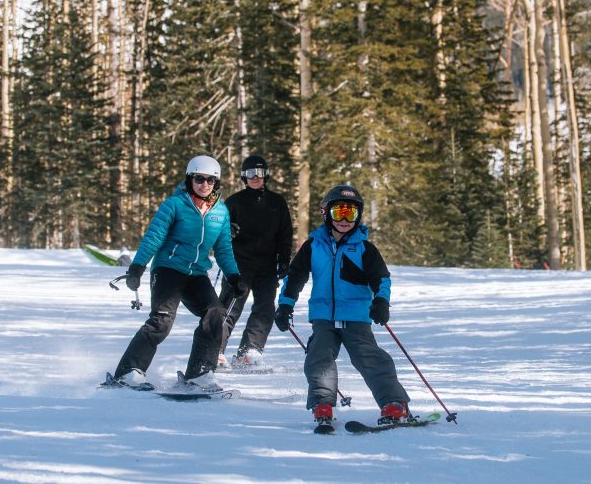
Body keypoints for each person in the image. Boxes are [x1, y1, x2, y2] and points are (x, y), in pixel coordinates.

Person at [273, 184, 412, 427]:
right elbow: (295, 276)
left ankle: (394, 403)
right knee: (318, 357)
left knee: (370, 358)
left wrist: (381, 301)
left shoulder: (364, 248)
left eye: (352, 213)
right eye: (340, 213)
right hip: (323, 317)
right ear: (327, 214)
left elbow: (382, 278)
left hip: (356, 317)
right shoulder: (313, 246)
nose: (346, 219)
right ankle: (322, 404)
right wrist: (285, 304)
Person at [108, 154, 247, 392]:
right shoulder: (174, 204)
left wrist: (234, 276)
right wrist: (137, 267)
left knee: (215, 314)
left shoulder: (221, 212)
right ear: (189, 179)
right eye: (199, 179)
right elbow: (154, 237)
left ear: (217, 183)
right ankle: (128, 372)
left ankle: (199, 374)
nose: (204, 184)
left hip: (196, 274)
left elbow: (223, 249)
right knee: (161, 320)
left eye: (210, 180)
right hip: (168, 269)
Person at [218, 154, 293, 368]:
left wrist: (284, 261)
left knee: (265, 307)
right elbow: (219, 230)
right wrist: (228, 232)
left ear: (266, 175)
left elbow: (284, 234)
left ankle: (249, 351)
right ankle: (215, 349)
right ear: (243, 176)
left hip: (267, 264)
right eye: (250, 173)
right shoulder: (234, 201)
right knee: (230, 306)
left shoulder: (277, 203)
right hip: (239, 263)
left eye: (259, 173)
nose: (255, 177)